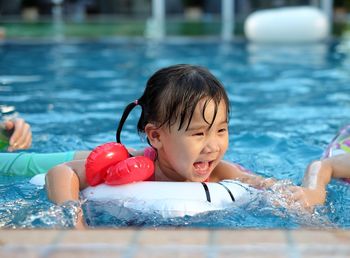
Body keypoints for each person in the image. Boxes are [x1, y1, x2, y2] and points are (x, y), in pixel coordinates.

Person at [44, 64, 328, 229]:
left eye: (221, 130)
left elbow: (264, 185)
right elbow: (61, 172)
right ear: (156, 137)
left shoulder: (220, 173)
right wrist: (73, 220)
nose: (213, 146)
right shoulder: (134, 164)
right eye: (198, 134)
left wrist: (295, 195)